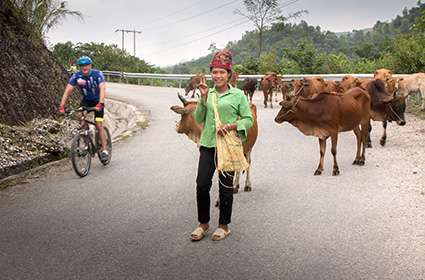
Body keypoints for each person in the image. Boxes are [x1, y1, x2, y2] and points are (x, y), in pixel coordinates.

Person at [190, 49, 253, 241]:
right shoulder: (207, 94)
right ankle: (203, 223)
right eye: (214, 72)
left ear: (228, 75)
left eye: (221, 72)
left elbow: (248, 119)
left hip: (228, 146)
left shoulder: (238, 95)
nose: (217, 76)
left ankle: (224, 226)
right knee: (202, 184)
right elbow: (198, 118)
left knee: (225, 187)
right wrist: (201, 100)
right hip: (208, 144)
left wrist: (233, 125)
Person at [58, 56, 109, 163]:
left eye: (86, 65)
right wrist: (62, 106)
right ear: (79, 67)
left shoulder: (97, 74)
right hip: (86, 101)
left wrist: (100, 103)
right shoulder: (77, 76)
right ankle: (86, 138)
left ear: (90, 65)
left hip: (98, 101)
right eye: (81, 66)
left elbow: (102, 88)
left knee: (99, 125)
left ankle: (104, 150)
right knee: (79, 116)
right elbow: (67, 91)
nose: (84, 67)